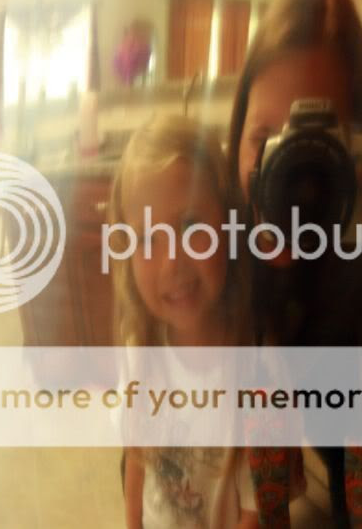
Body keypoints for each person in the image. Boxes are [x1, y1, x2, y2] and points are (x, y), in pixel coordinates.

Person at [226, 0, 362, 527]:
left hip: (342, 399)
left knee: (357, 484)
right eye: (265, 139)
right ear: (235, 140)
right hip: (258, 414)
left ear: (357, 151)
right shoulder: (219, 225)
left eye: (312, 142)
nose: (288, 171)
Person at [108, 115, 264, 529]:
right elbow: (136, 457)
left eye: (191, 226)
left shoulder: (257, 370)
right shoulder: (138, 351)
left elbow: (256, 509)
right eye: (146, 238)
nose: (172, 261)